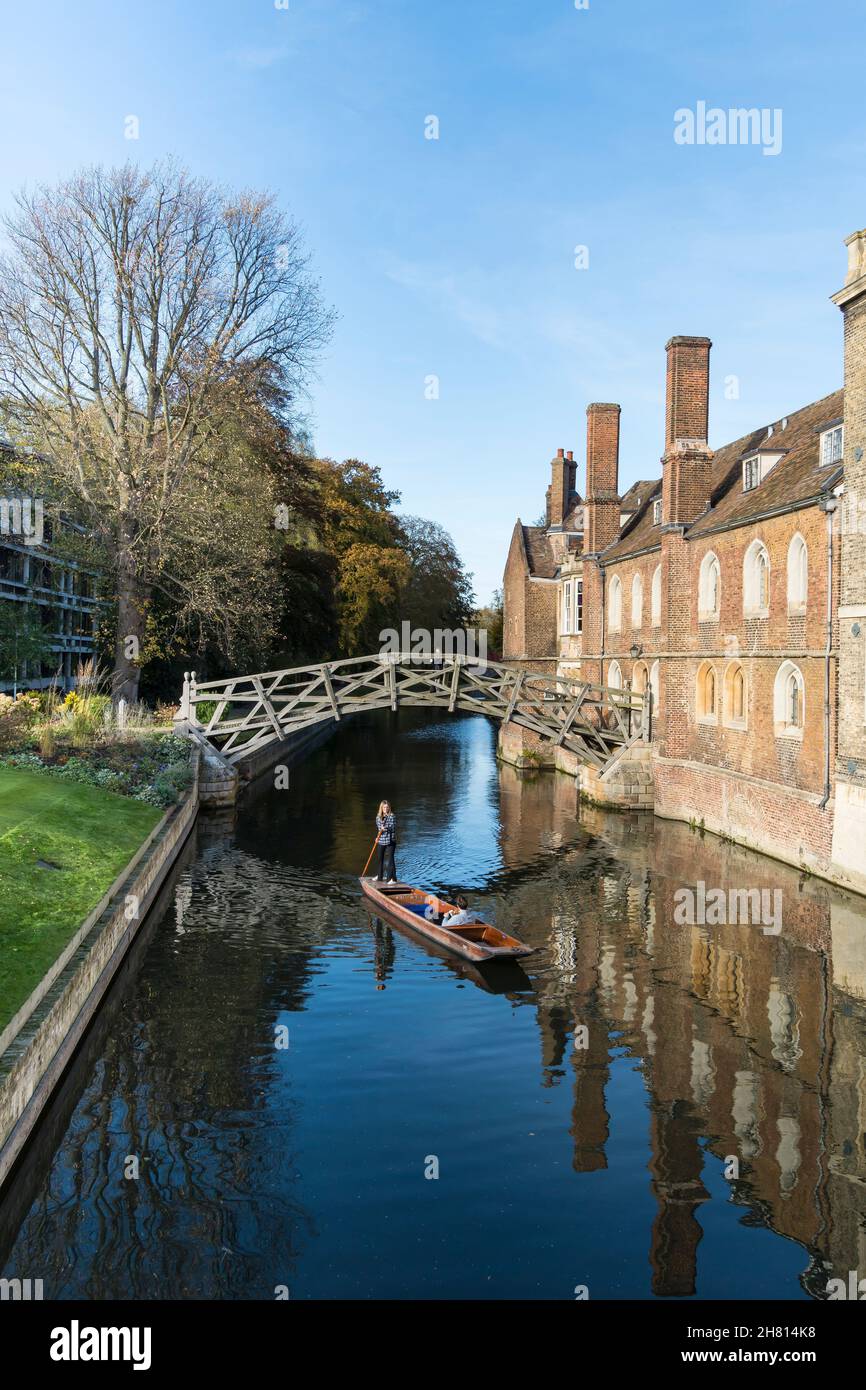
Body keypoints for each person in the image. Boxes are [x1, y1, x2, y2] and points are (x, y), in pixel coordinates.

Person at [375, 800, 398, 884]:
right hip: (381, 840)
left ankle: (391, 879)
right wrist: (377, 837)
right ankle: (379, 876)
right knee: (380, 858)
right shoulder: (378, 817)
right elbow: (379, 829)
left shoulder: (392, 816)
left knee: (390, 860)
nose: (386, 809)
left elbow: (393, 827)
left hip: (391, 840)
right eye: (384, 807)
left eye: (387, 807)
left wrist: (386, 829)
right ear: (381, 808)